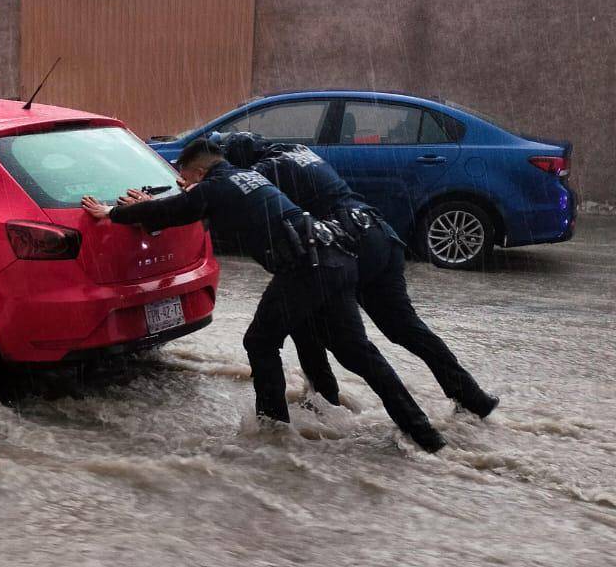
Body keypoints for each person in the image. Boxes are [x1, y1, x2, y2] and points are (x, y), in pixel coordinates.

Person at [81, 138, 447, 453]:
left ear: (198, 172)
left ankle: (274, 431)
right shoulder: (248, 176)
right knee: (359, 354)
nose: (184, 183)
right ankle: (424, 435)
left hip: (307, 267)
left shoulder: (213, 189)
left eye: (186, 177)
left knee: (259, 341)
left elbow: (170, 210)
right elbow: (190, 206)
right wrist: (174, 199)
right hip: (336, 258)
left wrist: (112, 211)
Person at [223, 132, 497, 418]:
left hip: (349, 245)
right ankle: (472, 397)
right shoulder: (296, 150)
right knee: (406, 328)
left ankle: (324, 400)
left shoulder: (266, 169)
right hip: (379, 235)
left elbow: (239, 189)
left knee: (317, 327)